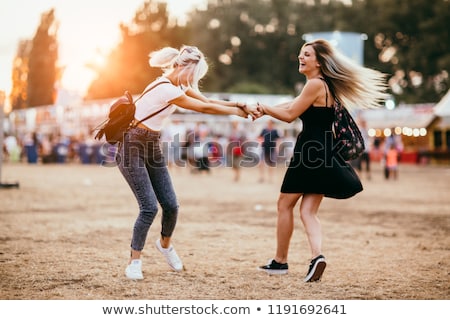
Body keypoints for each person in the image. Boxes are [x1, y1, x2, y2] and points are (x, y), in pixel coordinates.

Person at [254, 39, 388, 282]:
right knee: (308, 211)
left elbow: (289, 114)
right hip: (325, 153)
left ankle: (280, 261)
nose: (300, 57)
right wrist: (263, 109)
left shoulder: (315, 84)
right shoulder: (323, 86)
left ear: (319, 61)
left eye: (306, 54)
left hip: (310, 152)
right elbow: (292, 105)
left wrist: (264, 107)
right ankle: (317, 257)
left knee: (285, 205)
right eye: (300, 54)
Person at [117, 45, 249, 280]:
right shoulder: (165, 88)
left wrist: (239, 106)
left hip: (152, 144)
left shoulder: (179, 85)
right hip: (131, 145)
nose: (193, 80)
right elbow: (204, 108)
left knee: (171, 205)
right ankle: (133, 262)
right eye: (194, 73)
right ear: (182, 66)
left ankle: (165, 246)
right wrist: (238, 112)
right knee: (149, 207)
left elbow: (207, 100)